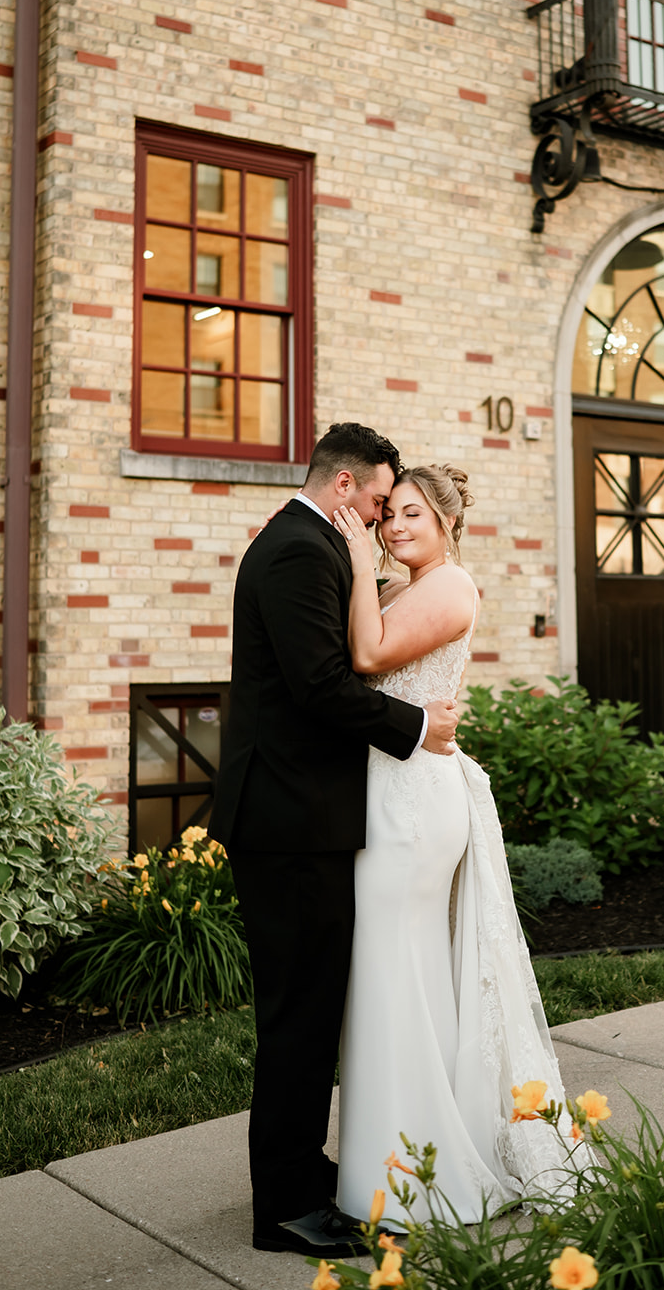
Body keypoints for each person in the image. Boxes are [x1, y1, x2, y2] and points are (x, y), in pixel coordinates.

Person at [213, 422, 460, 1258]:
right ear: (347, 488)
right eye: (384, 500)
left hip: (300, 815)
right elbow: (319, 683)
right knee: (298, 1018)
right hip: (286, 822)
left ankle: (302, 1171)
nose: (389, 518)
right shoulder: (297, 551)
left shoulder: (309, 546)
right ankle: (284, 1207)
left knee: (312, 1011)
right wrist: (418, 724)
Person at [333, 464, 588, 1226]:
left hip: (414, 802)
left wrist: (355, 564)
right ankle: (408, 1152)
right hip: (391, 789)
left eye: (412, 514)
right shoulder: (401, 587)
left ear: (445, 523)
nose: (395, 526)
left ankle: (425, 1172)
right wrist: (365, 575)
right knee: (394, 970)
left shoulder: (449, 586)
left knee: (395, 965)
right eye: (389, 517)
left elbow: (370, 658)